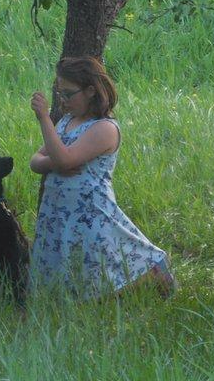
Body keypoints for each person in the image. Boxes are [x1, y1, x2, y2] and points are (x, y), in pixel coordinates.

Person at [29, 56, 176, 300]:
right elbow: (36, 161)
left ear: (90, 91)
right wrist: (55, 162)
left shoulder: (104, 128)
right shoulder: (67, 122)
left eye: (68, 94)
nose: (62, 101)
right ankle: (74, 301)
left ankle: (152, 275)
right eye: (59, 94)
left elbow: (66, 159)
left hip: (90, 211)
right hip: (59, 211)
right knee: (68, 261)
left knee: (101, 264)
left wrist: (44, 119)